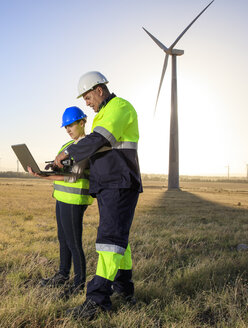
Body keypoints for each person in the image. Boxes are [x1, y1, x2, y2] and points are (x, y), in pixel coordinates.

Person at [54, 71, 142, 319]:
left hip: (119, 184)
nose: (87, 103)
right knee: (119, 243)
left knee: (109, 242)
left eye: (88, 97)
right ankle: (124, 290)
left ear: (99, 90)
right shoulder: (103, 115)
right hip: (109, 185)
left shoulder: (119, 107)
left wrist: (69, 153)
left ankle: (97, 299)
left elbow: (99, 139)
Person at [28, 106, 93, 299]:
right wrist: (48, 169)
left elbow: (72, 177)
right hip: (62, 198)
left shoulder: (87, 145)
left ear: (82, 122)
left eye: (71, 125)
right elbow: (60, 168)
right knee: (63, 239)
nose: (68, 129)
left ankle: (79, 284)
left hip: (75, 199)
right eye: (65, 127)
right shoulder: (67, 145)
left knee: (74, 242)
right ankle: (62, 275)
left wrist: (44, 176)